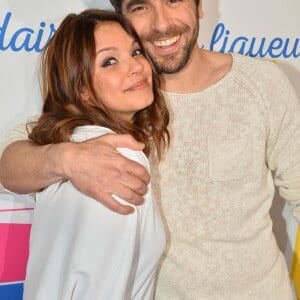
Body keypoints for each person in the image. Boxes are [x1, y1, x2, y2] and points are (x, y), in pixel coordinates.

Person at [0, 0, 299, 299]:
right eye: (141, 6)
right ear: (123, 18)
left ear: (199, 6)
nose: (161, 23)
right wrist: (63, 158)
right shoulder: (115, 103)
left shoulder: (261, 84)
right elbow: (7, 164)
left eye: (173, 0)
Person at [20, 8, 169, 300]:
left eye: (136, 52)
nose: (136, 67)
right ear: (83, 90)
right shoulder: (115, 157)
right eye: (110, 61)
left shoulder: (67, 145)